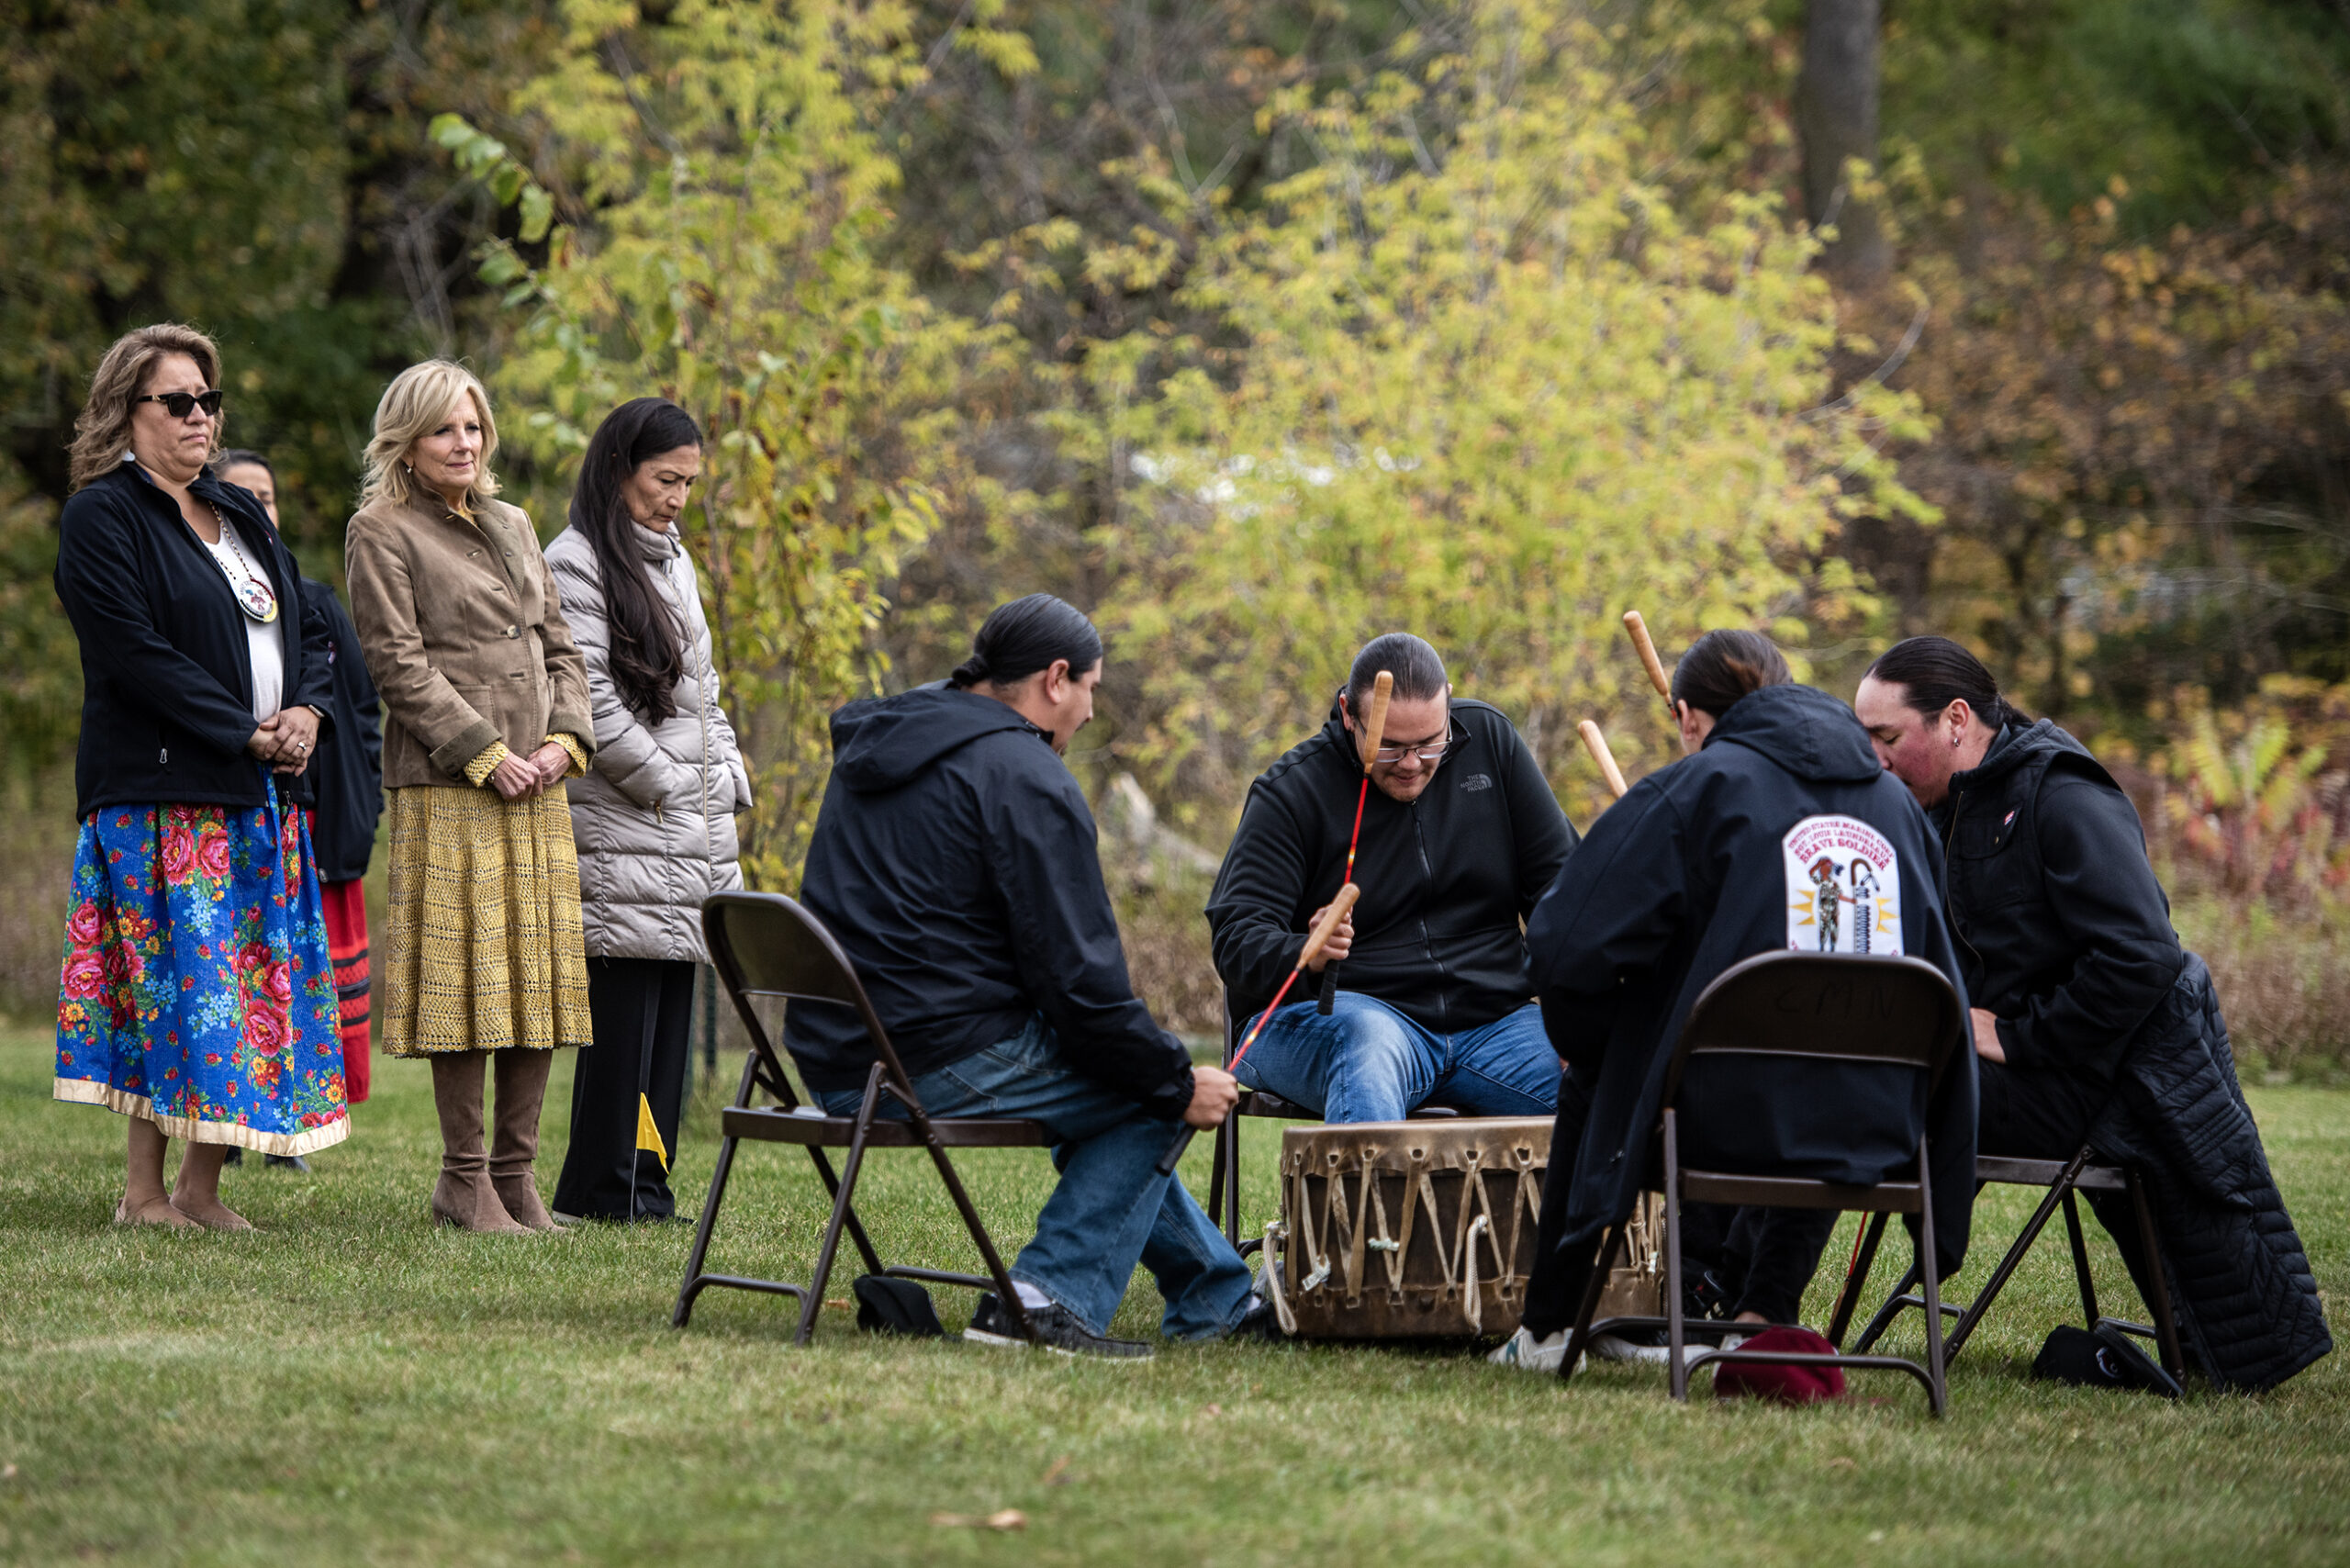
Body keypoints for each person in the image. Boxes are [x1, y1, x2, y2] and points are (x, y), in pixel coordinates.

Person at [786, 595, 1272, 1359]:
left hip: (835, 1057)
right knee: (1149, 1093)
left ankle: (1218, 1294)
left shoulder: (886, 742)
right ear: (1055, 679)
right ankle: (1046, 1298)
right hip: (928, 1058)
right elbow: (1083, 987)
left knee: (1128, 1079)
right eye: (1091, 689)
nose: (1087, 711)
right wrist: (1177, 1080)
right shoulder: (1023, 774)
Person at [1856, 637, 2330, 1389]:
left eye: (1886, 738)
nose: (1875, 758)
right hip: (2024, 1070)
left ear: (1954, 720)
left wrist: (2013, 1035)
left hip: (2096, 1078)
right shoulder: (1940, 809)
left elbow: (2144, 958)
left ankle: (1749, 1306)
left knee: (1890, 1092)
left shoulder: (2063, 792)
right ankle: (1741, 1301)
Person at [1494, 632, 1975, 1371]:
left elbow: (1562, 945)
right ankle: (1761, 1316)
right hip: (1878, 1123)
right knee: (1830, 1067)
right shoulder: (1898, 806)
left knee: (1596, 1078)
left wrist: (1596, 1042)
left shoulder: (1698, 789)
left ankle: (1550, 1328)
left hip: (1713, 1120)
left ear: (1688, 716)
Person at [50, 324, 347, 1228]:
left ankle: (201, 1189)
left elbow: (315, 628)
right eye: (176, 402)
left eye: (207, 401)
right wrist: (244, 730)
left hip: (260, 795)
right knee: (168, 991)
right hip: (161, 797)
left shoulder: (241, 513)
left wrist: (308, 712)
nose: (198, 417)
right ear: (123, 413)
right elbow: (132, 652)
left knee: (245, 989)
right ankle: (142, 1193)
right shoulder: (105, 515)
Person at [344, 360, 595, 1236]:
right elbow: (396, 665)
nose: (465, 443)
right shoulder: (380, 530)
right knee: (467, 984)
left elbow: (561, 648)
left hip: (542, 782)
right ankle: (463, 1180)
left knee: (538, 983)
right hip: (452, 785)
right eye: (446, 428)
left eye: (475, 427)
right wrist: (488, 756)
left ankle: (516, 1180)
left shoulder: (515, 523)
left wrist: (566, 741)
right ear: (406, 442)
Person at [1204, 633, 1576, 1123]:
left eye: (1428, 744)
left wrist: (1577, 1007)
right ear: (1348, 714)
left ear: (1447, 700)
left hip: (1495, 1021)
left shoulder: (1490, 741)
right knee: (1368, 1044)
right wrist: (1306, 952)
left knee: (1610, 1068)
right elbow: (1236, 939)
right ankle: (1366, 1201)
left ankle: (1584, 1204)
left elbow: (1567, 895)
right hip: (1345, 1016)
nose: (1411, 764)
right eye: (1390, 747)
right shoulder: (1292, 792)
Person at [544, 399, 750, 1223]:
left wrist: (729, 770)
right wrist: (669, 781)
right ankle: (601, 1190)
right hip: (626, 823)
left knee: (667, 1021)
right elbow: (587, 697)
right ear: (620, 468)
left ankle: (649, 1187)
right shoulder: (576, 563)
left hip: (685, 824)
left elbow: (702, 691)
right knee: (623, 1020)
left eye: (689, 484)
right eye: (666, 479)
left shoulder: (674, 562)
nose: (677, 499)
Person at [215, 450, 384, 1171]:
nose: (260, 506)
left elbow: (364, 711)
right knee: (233, 972)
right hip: (235, 817)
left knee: (301, 978)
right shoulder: (203, 604)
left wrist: (364, 798)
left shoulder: (313, 604)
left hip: (320, 822)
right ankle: (219, 1129)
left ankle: (291, 1128)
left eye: (269, 496)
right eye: (241, 494)